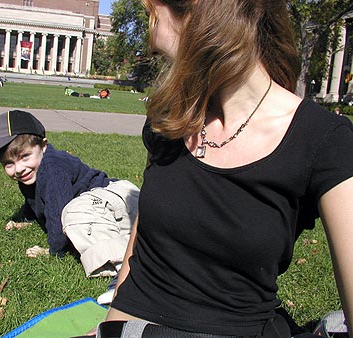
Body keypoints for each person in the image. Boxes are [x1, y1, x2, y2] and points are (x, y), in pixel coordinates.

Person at [95, 0, 353, 337]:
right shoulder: (171, 120)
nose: (150, 42)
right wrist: (111, 325)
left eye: (151, 18)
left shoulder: (324, 141)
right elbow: (142, 245)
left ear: (201, 17)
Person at [0, 110, 139, 279]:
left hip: (118, 198)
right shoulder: (32, 172)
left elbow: (57, 211)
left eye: (24, 156)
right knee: (76, 215)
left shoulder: (52, 167)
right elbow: (35, 200)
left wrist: (54, 250)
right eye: (8, 164)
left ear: (43, 146)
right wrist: (26, 219)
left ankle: (129, 265)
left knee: (73, 215)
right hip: (109, 208)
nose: (19, 169)